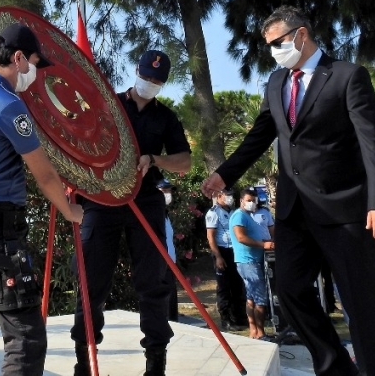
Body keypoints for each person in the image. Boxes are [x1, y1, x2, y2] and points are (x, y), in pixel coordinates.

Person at [202, 6, 375, 376]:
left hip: (346, 213)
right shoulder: (276, 82)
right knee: (289, 292)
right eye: (269, 45)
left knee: (362, 304)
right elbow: (259, 136)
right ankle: (336, 367)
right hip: (294, 213)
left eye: (278, 42)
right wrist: (224, 175)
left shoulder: (347, 76)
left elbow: (373, 144)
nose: (274, 50)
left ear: (301, 35)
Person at [0, 23, 83, 376]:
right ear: (18, 58)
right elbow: (45, 175)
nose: (35, 74)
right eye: (35, 65)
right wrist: (71, 211)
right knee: (26, 340)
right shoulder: (8, 105)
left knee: (18, 332)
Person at [72, 50, 191, 376]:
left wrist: (154, 160)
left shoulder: (165, 117)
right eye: (146, 76)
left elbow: (185, 161)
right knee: (90, 282)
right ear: (135, 72)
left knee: (153, 284)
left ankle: (156, 364)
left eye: (157, 81)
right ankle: (84, 361)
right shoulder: (108, 105)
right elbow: (79, 138)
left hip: (145, 200)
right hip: (102, 200)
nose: (149, 83)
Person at [230, 188, 275, 340]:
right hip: (248, 261)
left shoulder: (247, 216)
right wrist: (263, 245)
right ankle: (261, 333)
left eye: (253, 200)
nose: (251, 203)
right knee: (260, 299)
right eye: (248, 200)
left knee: (251, 298)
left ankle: (254, 332)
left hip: (253, 260)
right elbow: (241, 238)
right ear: (241, 200)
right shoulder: (239, 216)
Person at [205, 188, 248, 331]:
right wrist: (218, 256)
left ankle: (239, 317)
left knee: (237, 284)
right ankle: (226, 319)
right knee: (224, 287)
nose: (230, 198)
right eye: (227, 195)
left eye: (231, 195)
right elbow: (211, 237)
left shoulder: (233, 211)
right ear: (219, 196)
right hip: (222, 251)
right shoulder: (213, 213)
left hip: (235, 250)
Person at [157, 178, 179, 321]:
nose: (168, 194)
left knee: (171, 303)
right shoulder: (152, 214)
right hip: (159, 264)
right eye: (164, 191)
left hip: (170, 265)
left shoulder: (165, 214)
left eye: (169, 191)